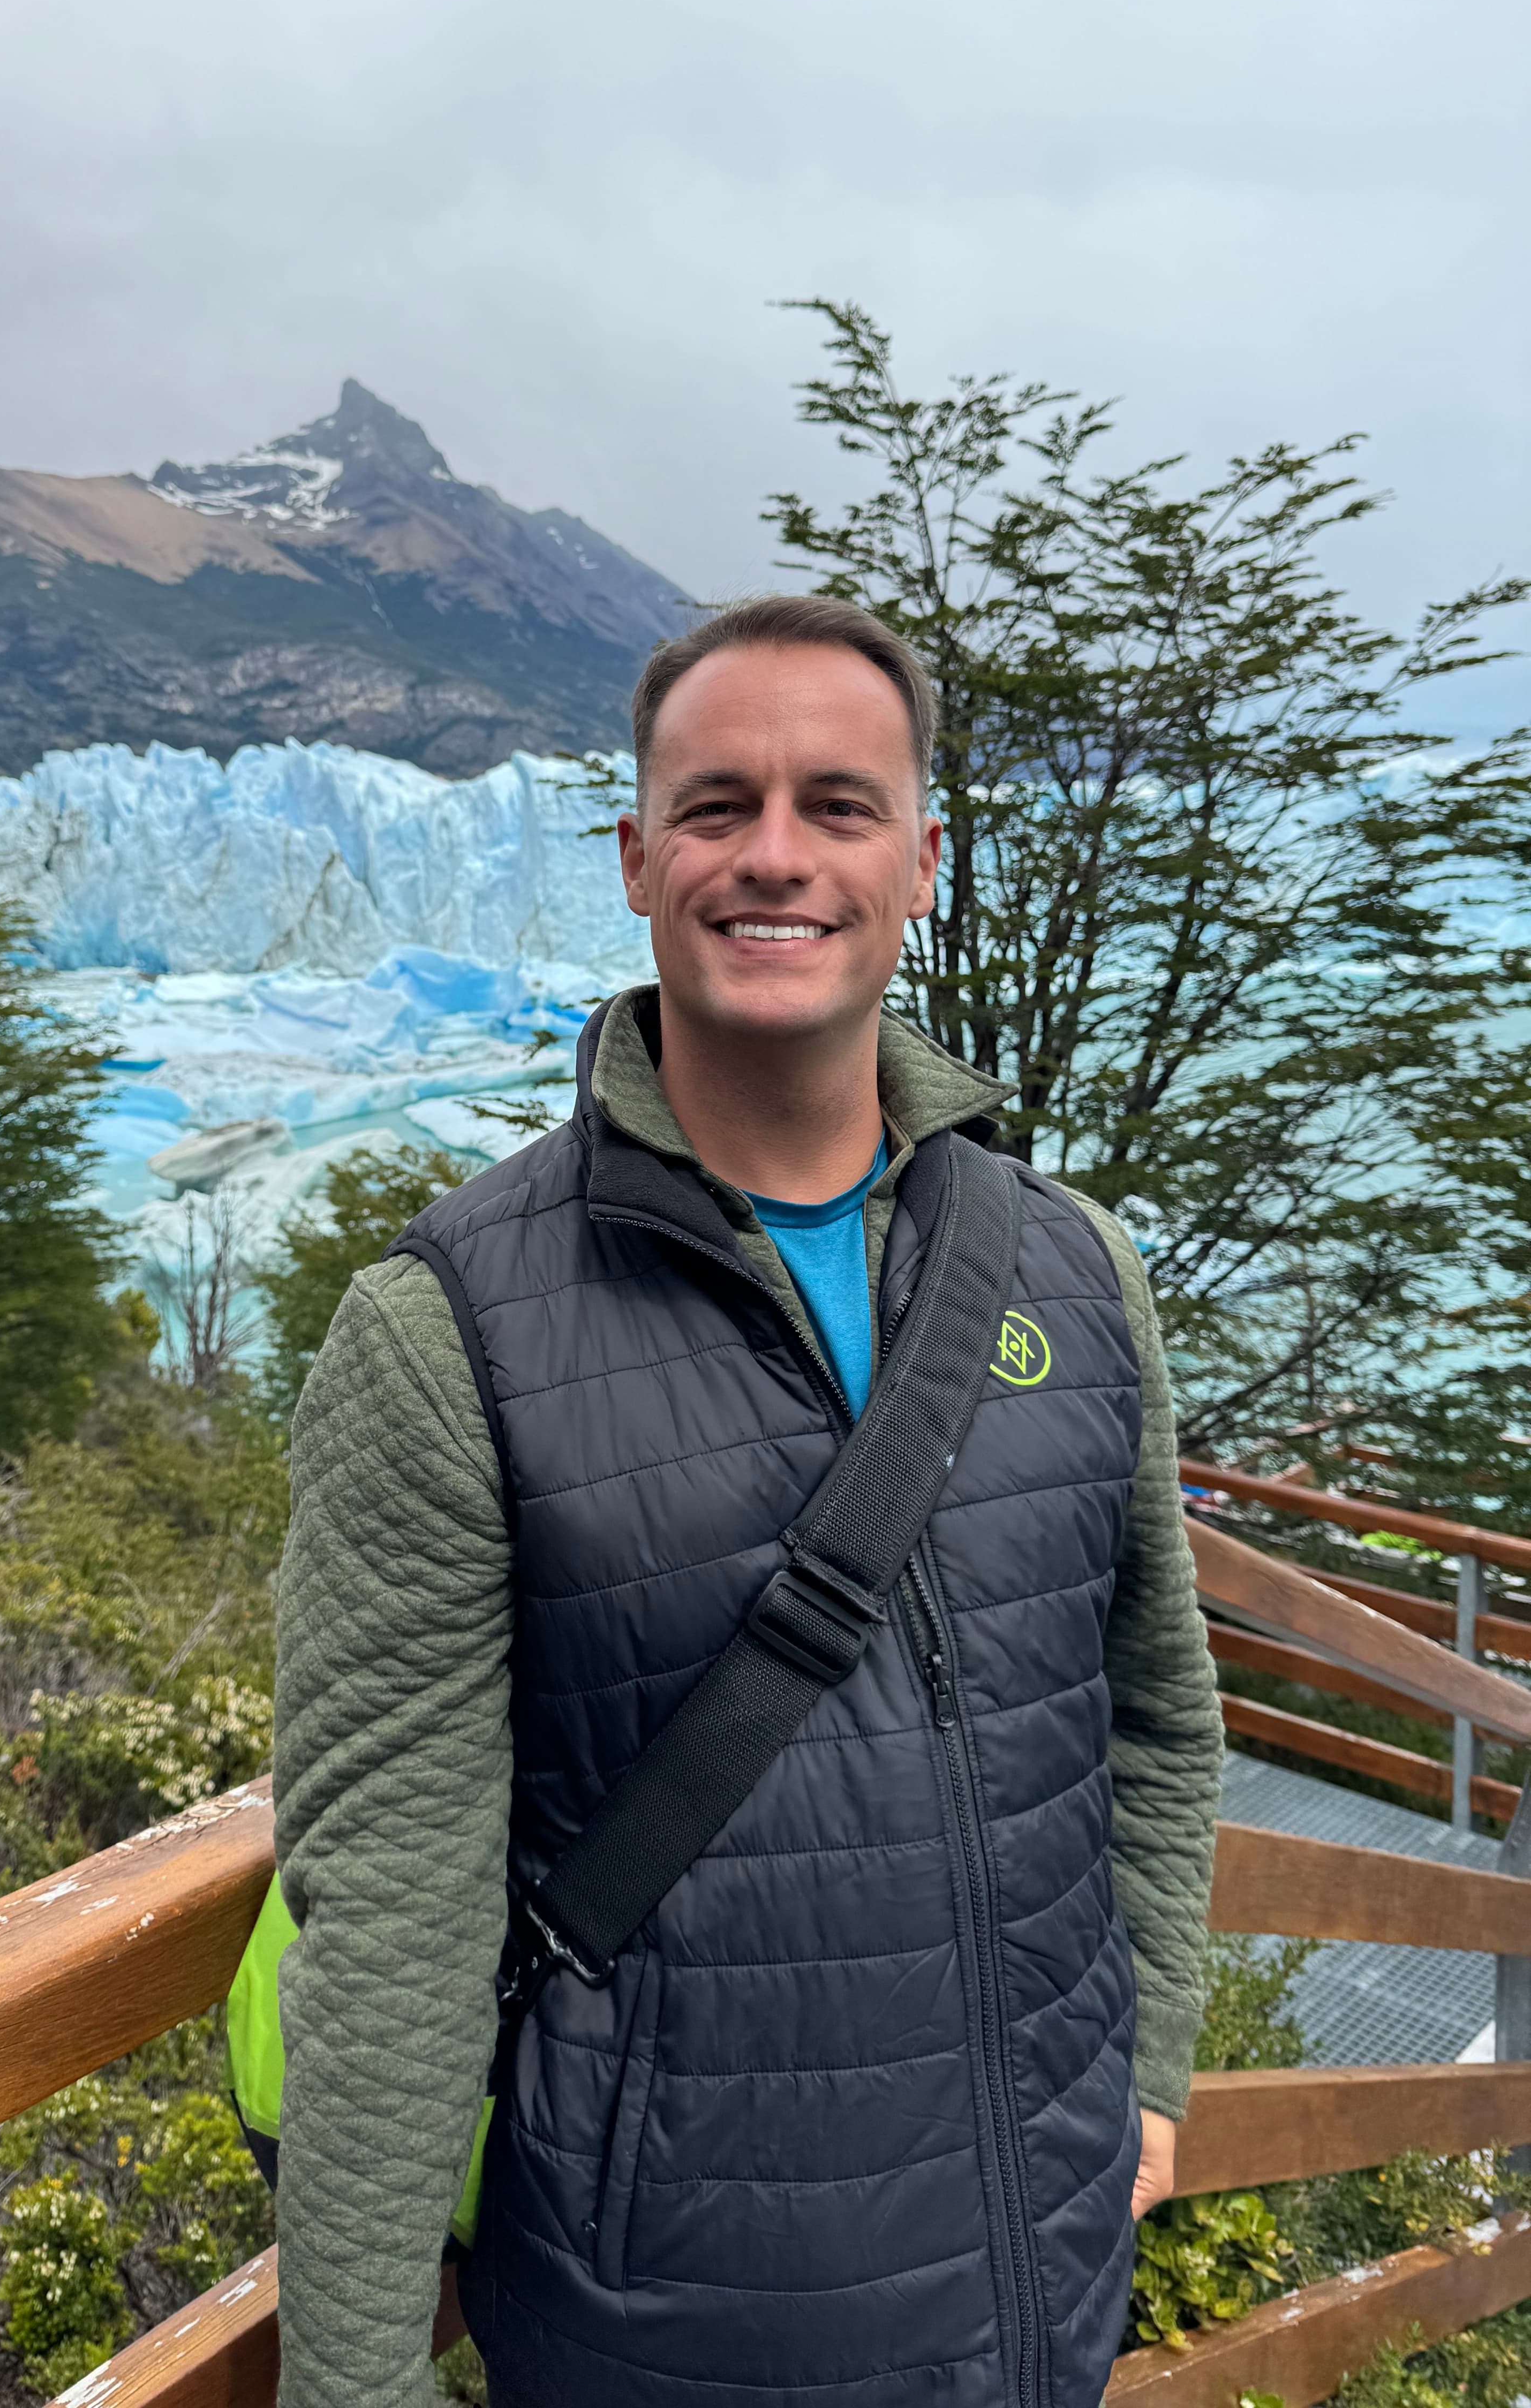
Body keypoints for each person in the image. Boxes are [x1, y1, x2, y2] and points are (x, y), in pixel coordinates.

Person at [269, 595, 1224, 2408]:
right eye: (717, 807)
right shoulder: (447, 1330)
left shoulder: (1072, 1268)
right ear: (637, 860)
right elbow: (387, 1934)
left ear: (924, 862)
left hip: (1038, 2291)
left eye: (838, 805)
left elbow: (1157, 1713)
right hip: (673, 2340)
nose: (773, 855)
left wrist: (1149, 2073)